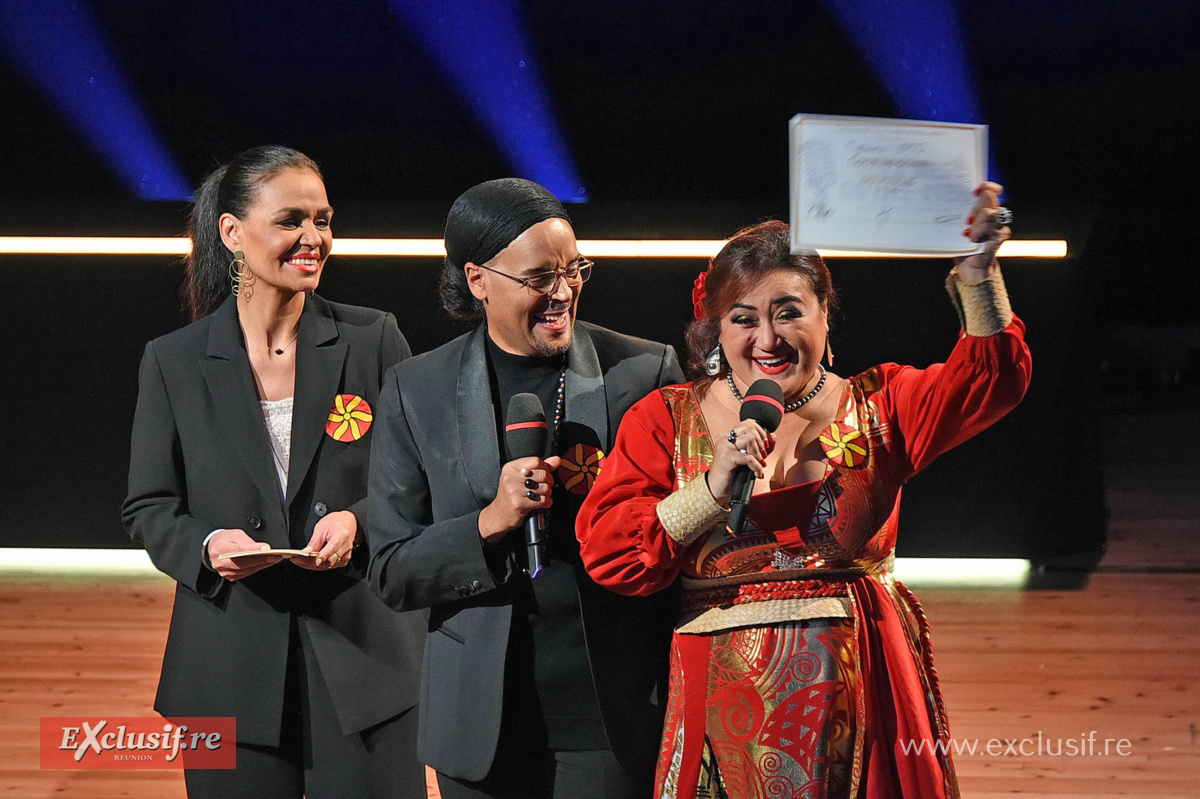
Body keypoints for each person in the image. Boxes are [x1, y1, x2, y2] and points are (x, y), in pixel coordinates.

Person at [576, 183, 1032, 798]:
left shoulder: (880, 404)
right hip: (721, 711)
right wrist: (711, 489)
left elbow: (991, 380)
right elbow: (611, 554)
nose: (768, 339)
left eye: (789, 312)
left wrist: (979, 275)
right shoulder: (666, 419)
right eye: (744, 319)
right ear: (717, 327)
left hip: (863, 693)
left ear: (824, 313)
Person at [122, 145, 427, 798]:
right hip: (227, 672)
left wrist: (359, 521)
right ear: (233, 232)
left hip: (366, 667)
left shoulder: (374, 338)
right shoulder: (173, 361)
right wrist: (208, 545)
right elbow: (149, 506)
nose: (313, 236)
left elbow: (421, 483)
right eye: (291, 219)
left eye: (323, 219)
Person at [365, 178, 685, 799]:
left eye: (574, 270)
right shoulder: (416, 390)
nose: (563, 293)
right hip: (479, 724)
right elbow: (391, 571)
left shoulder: (643, 372)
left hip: (611, 714)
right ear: (478, 278)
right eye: (540, 278)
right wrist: (488, 524)